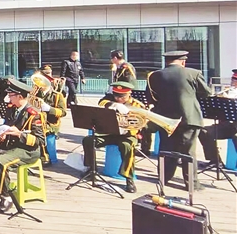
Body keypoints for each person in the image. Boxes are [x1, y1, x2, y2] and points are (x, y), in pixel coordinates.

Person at [146, 50, 212, 190]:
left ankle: (164, 178)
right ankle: (192, 184)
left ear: (167, 62)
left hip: (165, 119)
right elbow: (206, 93)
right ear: (183, 62)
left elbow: (151, 97)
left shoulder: (154, 76)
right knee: (188, 151)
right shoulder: (193, 73)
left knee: (166, 148)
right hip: (189, 118)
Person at [0, 78, 44, 213]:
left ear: (20, 96)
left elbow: (39, 140)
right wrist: (1, 134)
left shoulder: (34, 114)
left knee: (1, 161)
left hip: (28, 150)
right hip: (12, 145)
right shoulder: (12, 108)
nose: (8, 98)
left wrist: (19, 134)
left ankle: (7, 197)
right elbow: (8, 125)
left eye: (10, 96)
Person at [83, 82, 145, 193]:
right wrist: (114, 104)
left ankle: (129, 178)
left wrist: (128, 126)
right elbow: (102, 102)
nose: (118, 98)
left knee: (128, 147)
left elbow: (142, 124)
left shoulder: (137, 105)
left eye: (122, 96)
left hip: (127, 135)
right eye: (116, 95)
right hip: (109, 134)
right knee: (88, 140)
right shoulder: (112, 100)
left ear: (129, 93)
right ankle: (91, 170)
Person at [197, 68, 237, 168]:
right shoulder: (230, 91)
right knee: (204, 131)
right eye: (232, 79)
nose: (232, 81)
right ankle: (215, 160)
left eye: (234, 80)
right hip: (228, 126)